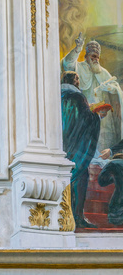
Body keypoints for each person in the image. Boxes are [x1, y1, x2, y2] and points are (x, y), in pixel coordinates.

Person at [61, 71, 107, 228]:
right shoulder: (77, 97)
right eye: (77, 78)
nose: (79, 81)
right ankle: (77, 216)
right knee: (81, 176)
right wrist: (98, 115)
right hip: (76, 147)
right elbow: (86, 119)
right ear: (73, 80)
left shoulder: (57, 96)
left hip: (62, 145)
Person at [62, 34, 123, 151]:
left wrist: (110, 88)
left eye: (97, 57)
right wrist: (77, 48)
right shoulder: (79, 67)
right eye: (93, 56)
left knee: (101, 142)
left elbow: (116, 88)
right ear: (86, 56)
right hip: (85, 113)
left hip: (103, 117)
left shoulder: (103, 72)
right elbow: (67, 63)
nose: (95, 59)